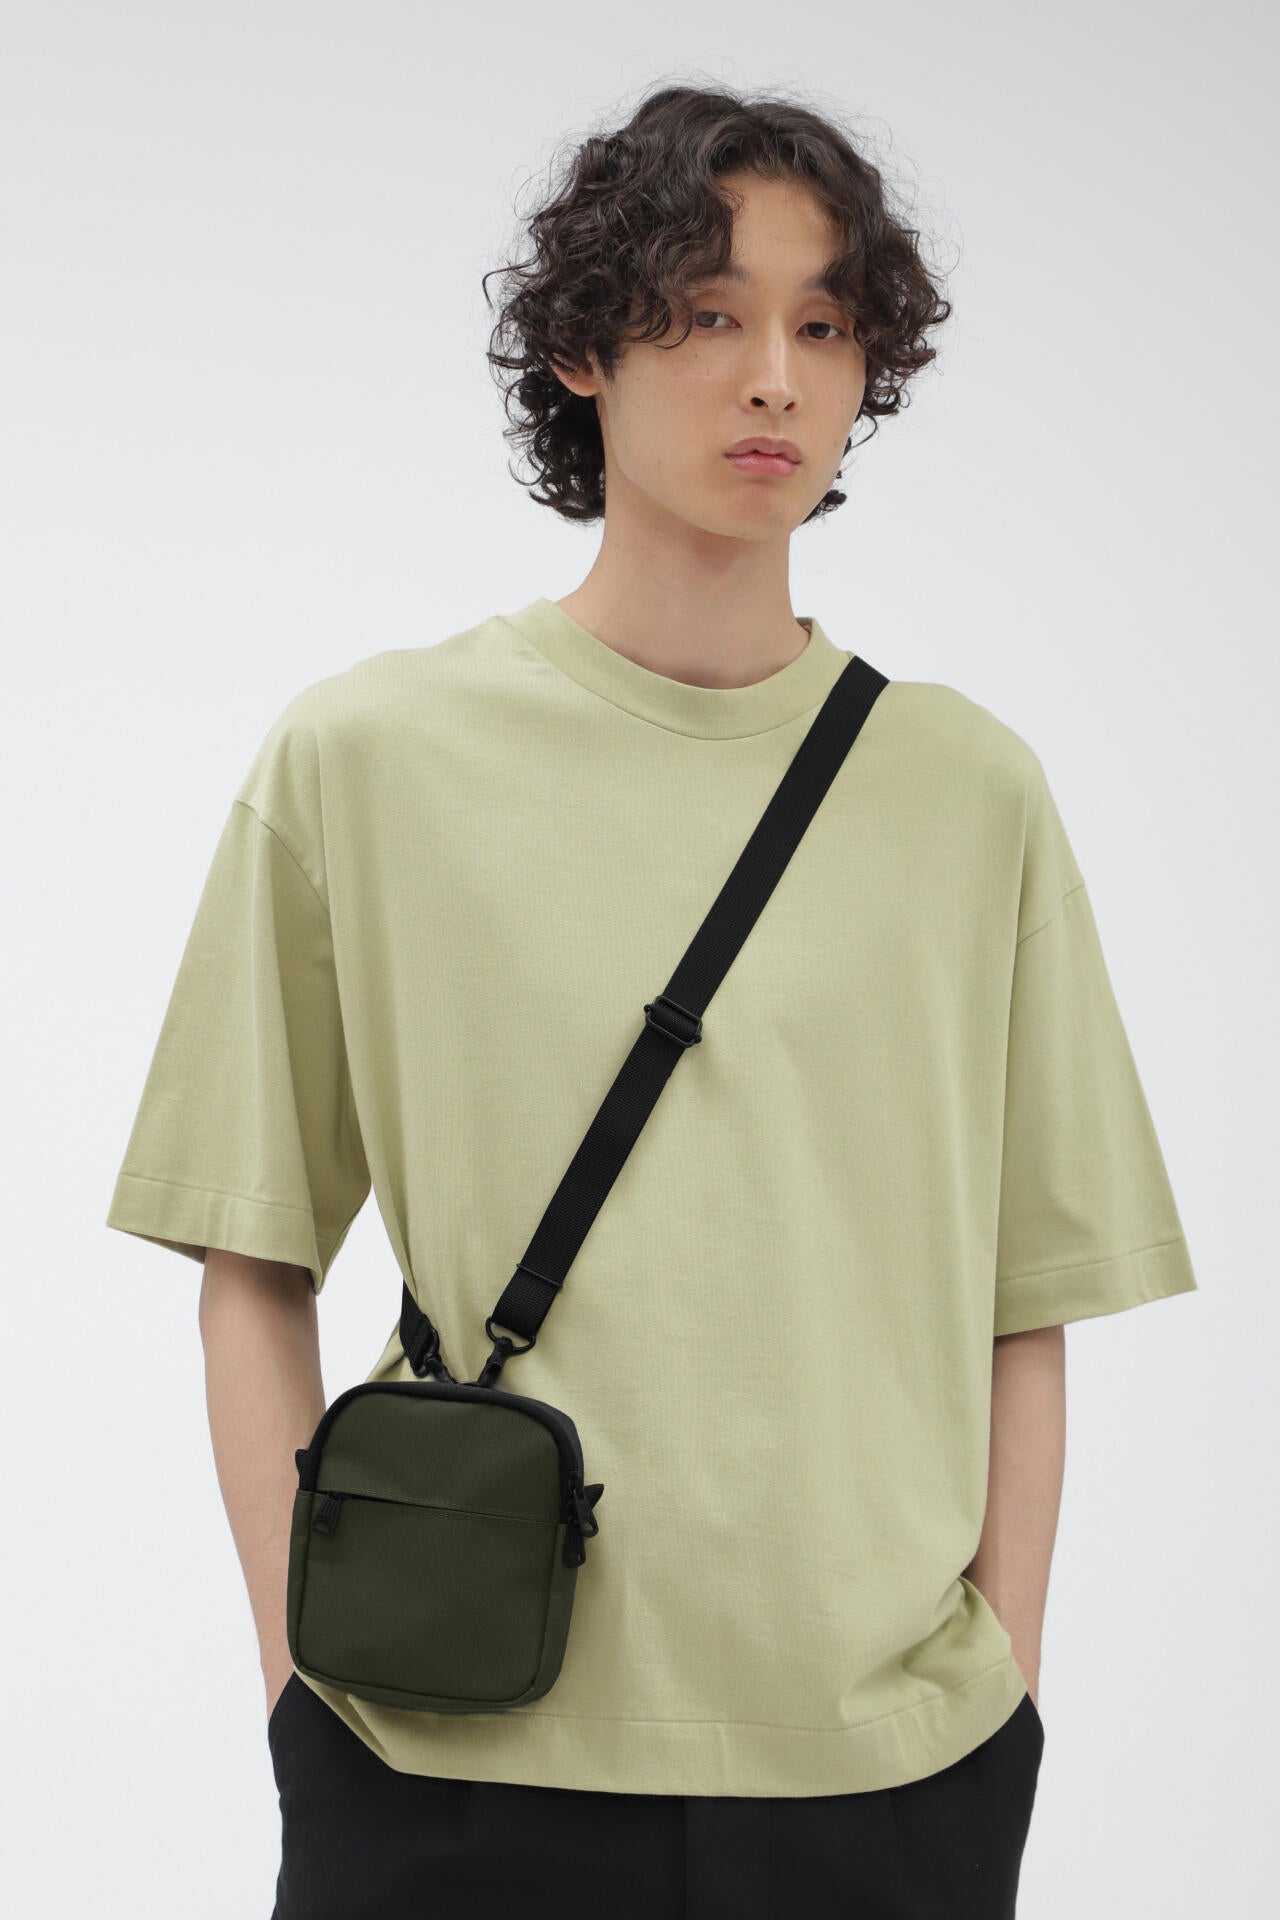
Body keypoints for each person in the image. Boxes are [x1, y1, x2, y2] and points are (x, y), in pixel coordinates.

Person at [105, 82, 1198, 1920]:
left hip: (885, 1779)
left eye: (824, 325)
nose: (774, 377)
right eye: (706, 312)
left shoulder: (969, 794)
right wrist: (302, 1688)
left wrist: (1002, 1693)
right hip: (444, 1751)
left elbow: (1031, 1298)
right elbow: (249, 1253)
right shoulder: (366, 759)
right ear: (580, 351)